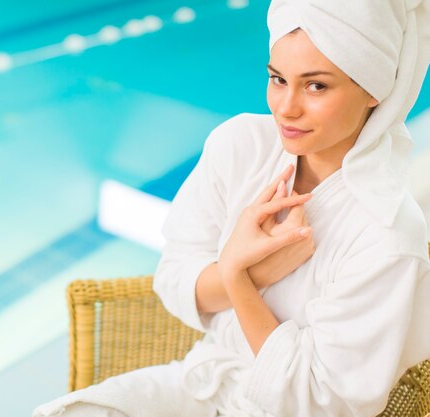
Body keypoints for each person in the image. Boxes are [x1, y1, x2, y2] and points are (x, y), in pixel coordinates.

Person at [33, 0, 430, 416]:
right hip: (198, 387)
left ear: (373, 89)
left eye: (316, 86)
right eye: (278, 79)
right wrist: (255, 268)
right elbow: (173, 278)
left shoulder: (387, 233)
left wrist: (240, 280)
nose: (286, 108)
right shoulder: (240, 146)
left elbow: (318, 401)